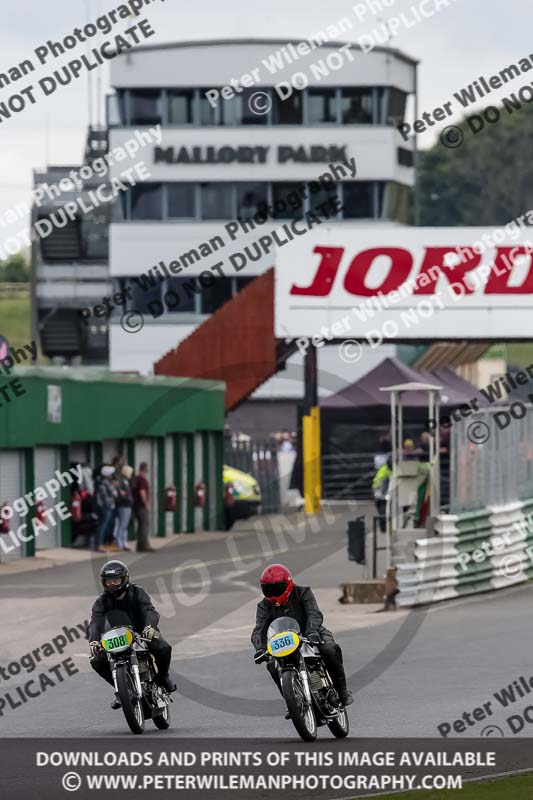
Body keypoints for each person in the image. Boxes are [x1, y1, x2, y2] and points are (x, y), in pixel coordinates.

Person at [252, 564, 353, 708]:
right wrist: (260, 648)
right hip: (284, 640)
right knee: (271, 665)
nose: (273, 594)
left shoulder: (303, 592)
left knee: (330, 649)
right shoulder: (263, 606)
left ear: (288, 584)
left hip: (311, 633)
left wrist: (312, 631)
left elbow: (314, 613)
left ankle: (342, 691)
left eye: (276, 589)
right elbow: (259, 628)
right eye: (268, 589)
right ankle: (293, 702)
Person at [88, 560, 176, 708]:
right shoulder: (101, 601)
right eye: (108, 581)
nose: (112, 584)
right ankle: (122, 691)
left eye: (116, 580)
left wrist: (150, 627)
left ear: (124, 579)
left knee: (163, 647)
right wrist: (94, 641)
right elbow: (95, 621)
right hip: (117, 636)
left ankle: (163, 677)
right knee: (96, 660)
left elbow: (149, 610)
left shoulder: (137, 592)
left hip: (143, 632)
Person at [132, 462, 154, 553]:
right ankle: (145, 545)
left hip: (135, 506)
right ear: (145, 469)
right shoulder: (142, 480)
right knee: (144, 525)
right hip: (141, 506)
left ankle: (139, 545)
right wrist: (145, 503)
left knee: (141, 525)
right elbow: (142, 492)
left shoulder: (135, 479)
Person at [95, 465, 117, 553]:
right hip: (105, 507)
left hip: (108, 506)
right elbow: (105, 497)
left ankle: (103, 543)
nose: (112, 476)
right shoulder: (103, 484)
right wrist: (112, 497)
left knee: (106, 525)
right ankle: (99, 545)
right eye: (111, 474)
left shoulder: (107, 483)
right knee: (103, 525)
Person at [114, 465, 134, 551]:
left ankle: (124, 543)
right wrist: (125, 495)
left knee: (125, 526)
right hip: (123, 505)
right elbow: (120, 494)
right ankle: (119, 543)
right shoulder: (121, 482)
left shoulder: (127, 481)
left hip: (127, 505)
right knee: (121, 525)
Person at [372, 454, 392, 533]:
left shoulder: (393, 470)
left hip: (386, 493)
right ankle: (383, 528)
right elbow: (380, 481)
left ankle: (386, 528)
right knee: (381, 512)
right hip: (381, 493)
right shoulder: (384, 469)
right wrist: (376, 489)